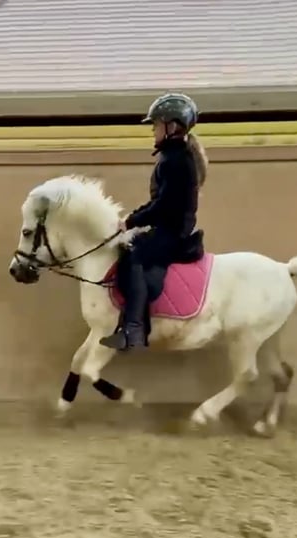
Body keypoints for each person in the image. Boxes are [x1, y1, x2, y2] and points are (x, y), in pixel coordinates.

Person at [99, 93, 209, 351]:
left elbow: (164, 205)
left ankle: (134, 330)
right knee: (128, 250)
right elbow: (159, 203)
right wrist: (132, 219)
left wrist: (132, 221)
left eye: (156, 125)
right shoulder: (172, 157)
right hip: (168, 227)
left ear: (173, 127)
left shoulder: (177, 160)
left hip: (173, 232)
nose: (153, 130)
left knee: (135, 256)